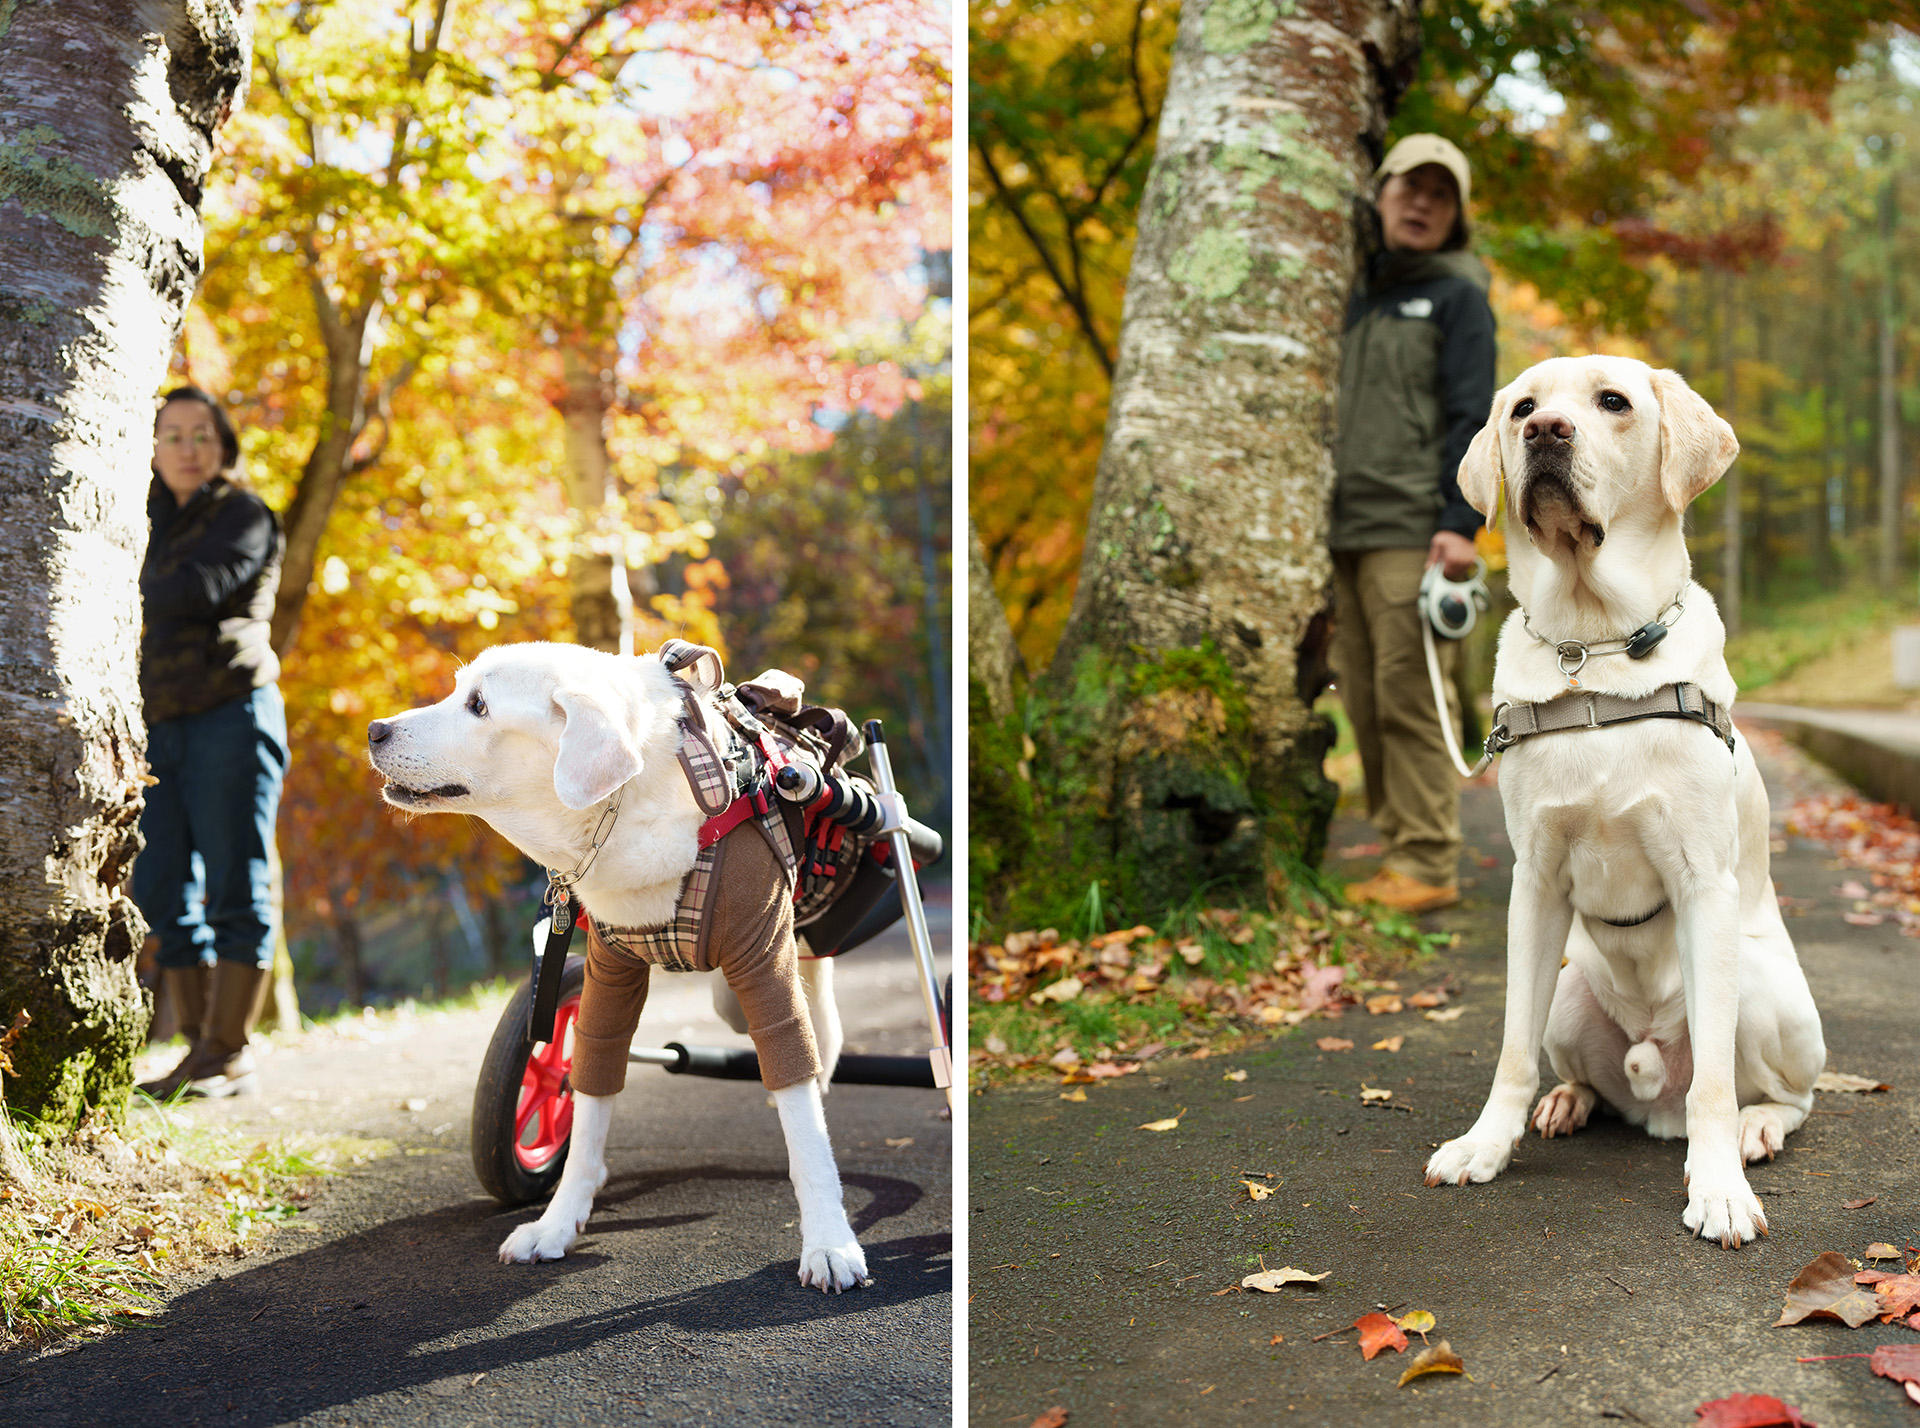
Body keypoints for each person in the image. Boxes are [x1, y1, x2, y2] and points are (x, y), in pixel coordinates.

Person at [1327, 134, 1496, 915]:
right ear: (1381, 193)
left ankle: (1429, 860)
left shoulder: (1459, 297)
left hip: (1412, 527)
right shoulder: (1353, 293)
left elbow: (1475, 415)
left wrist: (1461, 522)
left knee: (1410, 696)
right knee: (1360, 695)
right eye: (1409, 187)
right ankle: (1400, 846)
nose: (1422, 202)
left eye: (1441, 193)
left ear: (1455, 214)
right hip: (1342, 529)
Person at [132, 387, 288, 1098]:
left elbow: (200, 590)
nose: (188, 449)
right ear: (153, 447)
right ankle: (197, 1050)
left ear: (223, 446)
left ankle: (229, 1051)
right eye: (173, 436)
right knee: (162, 885)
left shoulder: (244, 516)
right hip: (157, 723)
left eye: (202, 435)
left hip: (233, 711)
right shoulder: (141, 518)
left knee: (235, 880)